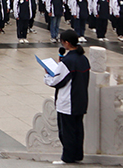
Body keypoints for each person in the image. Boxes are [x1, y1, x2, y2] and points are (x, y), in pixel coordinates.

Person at [44, 29, 90, 165]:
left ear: (67, 43)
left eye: (63, 42)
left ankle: (67, 158)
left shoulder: (68, 61)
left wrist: (47, 74)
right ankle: (77, 155)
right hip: (81, 100)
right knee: (78, 130)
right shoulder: (83, 59)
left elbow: (56, 81)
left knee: (67, 132)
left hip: (68, 102)